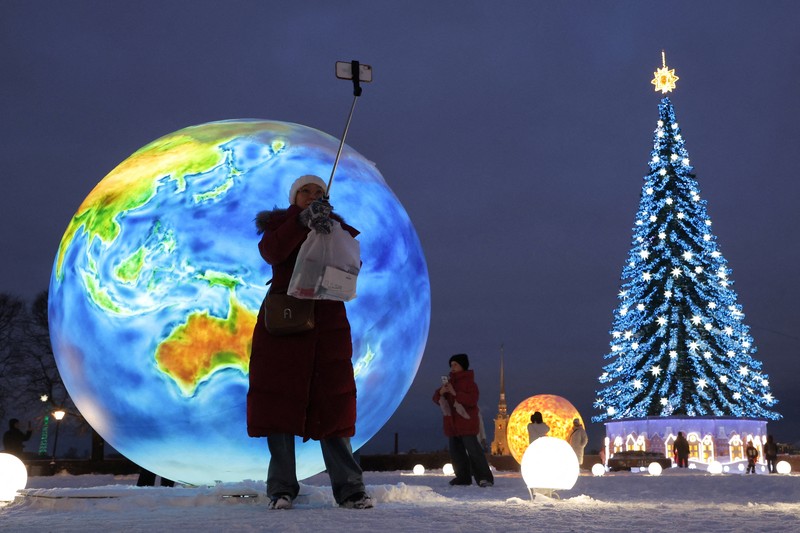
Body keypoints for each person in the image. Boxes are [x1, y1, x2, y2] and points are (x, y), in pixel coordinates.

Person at [247, 174, 373, 510]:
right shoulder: (280, 224)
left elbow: (352, 265)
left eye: (319, 191)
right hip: (284, 324)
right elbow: (272, 252)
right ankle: (282, 489)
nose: (312, 195)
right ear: (294, 197)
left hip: (327, 327)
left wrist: (329, 230)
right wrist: (302, 224)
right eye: (306, 191)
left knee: (334, 408)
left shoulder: (336, 226)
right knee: (279, 408)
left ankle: (350, 489)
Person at [432, 353, 494, 487]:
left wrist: (455, 393)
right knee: (456, 453)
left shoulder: (470, 383)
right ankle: (463, 477)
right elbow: (436, 399)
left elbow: (472, 400)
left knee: (474, 451)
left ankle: (484, 477)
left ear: (462, 365)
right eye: (451, 364)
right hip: (452, 424)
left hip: (466, 423)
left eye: (455, 364)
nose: (452, 367)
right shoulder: (449, 382)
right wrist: (441, 392)